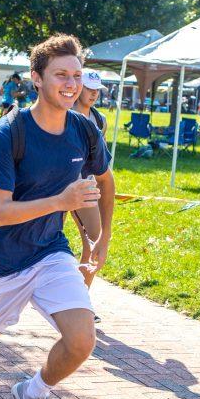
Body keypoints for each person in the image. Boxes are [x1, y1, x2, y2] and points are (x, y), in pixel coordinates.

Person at [0, 34, 115, 399]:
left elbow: (101, 183)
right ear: (36, 78)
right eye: (61, 74)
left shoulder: (84, 131)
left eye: (76, 75)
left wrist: (99, 237)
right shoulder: (8, 133)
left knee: (82, 339)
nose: (71, 83)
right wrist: (62, 200)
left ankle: (33, 392)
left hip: (49, 251)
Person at [71, 69, 108, 294]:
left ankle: (80, 297)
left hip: (88, 187)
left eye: (97, 90)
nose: (93, 93)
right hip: (60, 187)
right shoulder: (63, 114)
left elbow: (102, 162)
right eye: (88, 88)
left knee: (95, 242)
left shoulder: (99, 119)